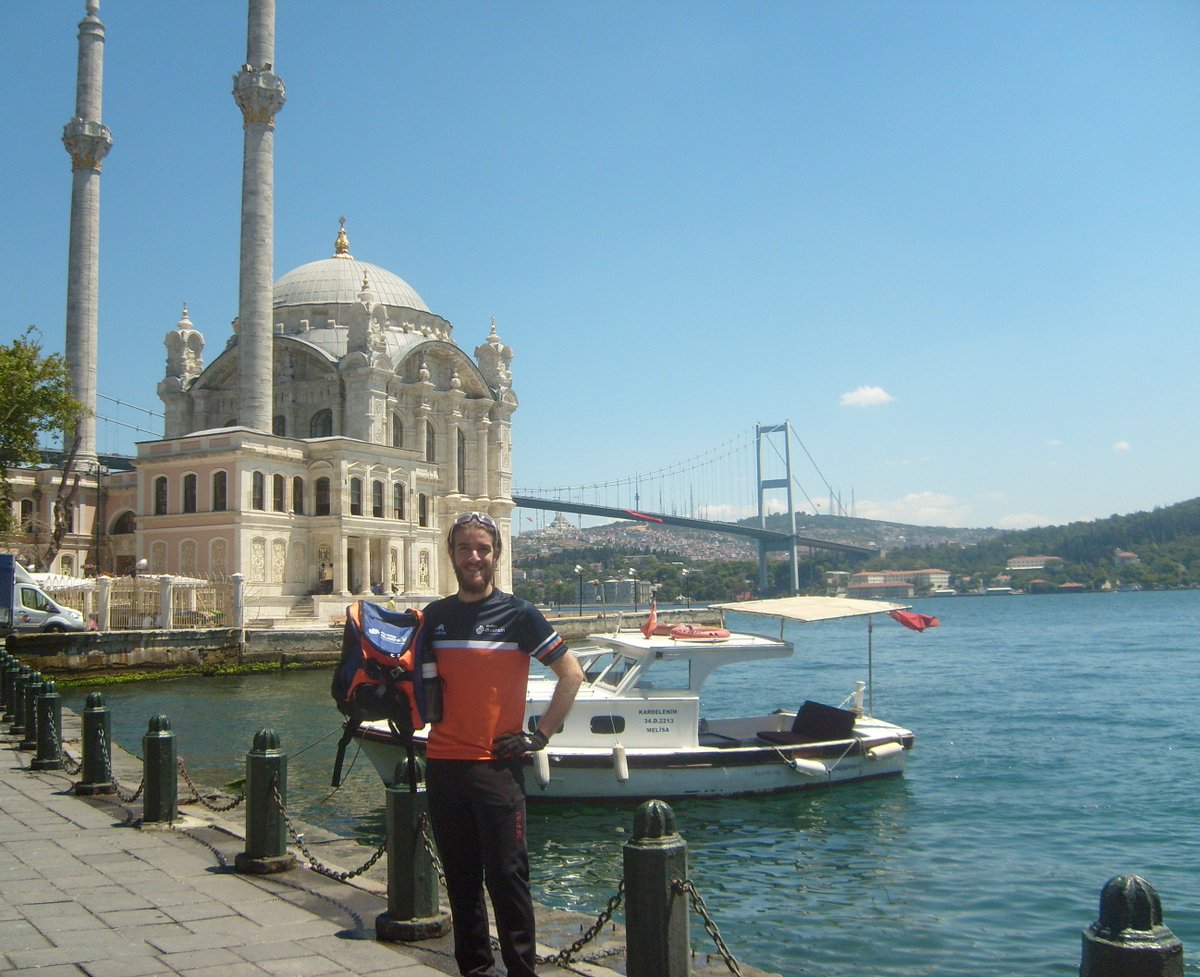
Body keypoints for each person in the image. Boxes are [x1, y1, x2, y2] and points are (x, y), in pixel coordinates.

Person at [422, 511, 584, 977]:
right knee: (461, 881)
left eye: (483, 549)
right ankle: (474, 970)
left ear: (496, 554)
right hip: (444, 765)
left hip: (497, 768)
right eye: (464, 548)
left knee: (508, 879)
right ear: (451, 554)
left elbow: (572, 674)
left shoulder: (518, 614)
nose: (474, 557)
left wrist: (539, 736)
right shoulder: (435, 618)